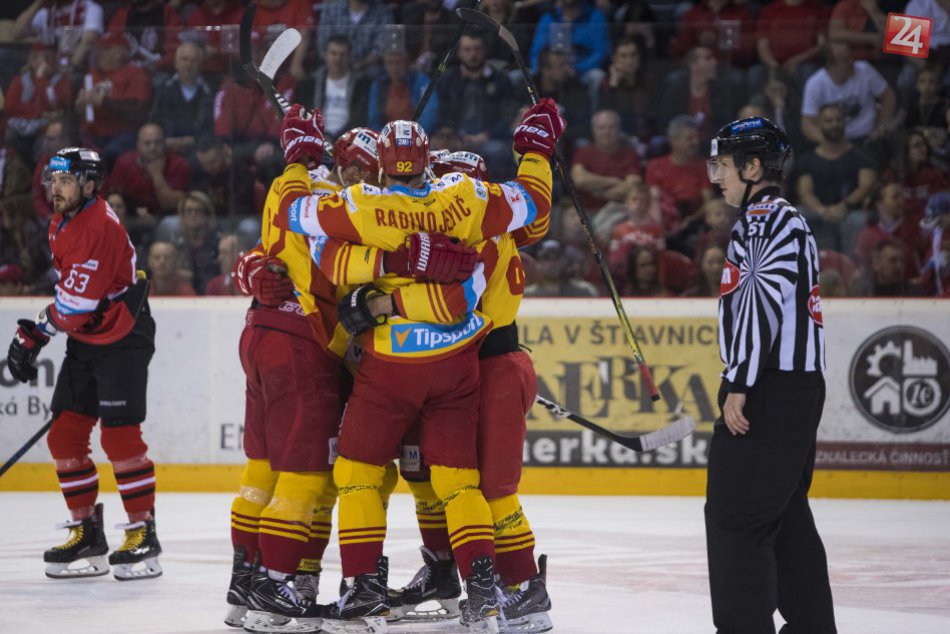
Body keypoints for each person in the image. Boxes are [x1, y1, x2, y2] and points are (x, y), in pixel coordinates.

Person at [274, 102, 560, 630]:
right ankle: (476, 584)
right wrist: (536, 151)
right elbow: (534, 206)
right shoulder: (471, 201)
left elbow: (298, 219)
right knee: (458, 481)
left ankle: (365, 588)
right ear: (432, 165)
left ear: (384, 164)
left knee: (359, 475)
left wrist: (300, 162)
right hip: (466, 363)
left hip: (400, 364)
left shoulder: (366, 205)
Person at [705, 117, 836, 634]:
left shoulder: (762, 219)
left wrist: (740, 382)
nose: (715, 175)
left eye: (722, 164)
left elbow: (763, 298)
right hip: (794, 387)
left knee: (735, 519)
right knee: (783, 518)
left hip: (768, 387)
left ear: (753, 166)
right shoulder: (786, 218)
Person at [5, 147, 161, 581]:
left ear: (90, 185)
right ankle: (87, 532)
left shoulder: (97, 226)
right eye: (53, 180)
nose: (56, 189)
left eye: (66, 181)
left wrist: (34, 333)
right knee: (66, 436)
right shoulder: (63, 220)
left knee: (120, 437)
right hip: (89, 338)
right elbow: (73, 301)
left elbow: (76, 304)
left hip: (123, 336)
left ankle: (144, 534)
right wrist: (39, 331)